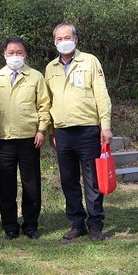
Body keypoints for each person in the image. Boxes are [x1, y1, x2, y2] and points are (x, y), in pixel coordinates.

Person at [44, 24, 113, 241]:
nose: (63, 41)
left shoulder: (90, 61)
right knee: (68, 179)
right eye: (59, 38)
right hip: (62, 133)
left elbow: (101, 95)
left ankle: (95, 225)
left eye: (67, 37)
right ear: (54, 42)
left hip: (87, 131)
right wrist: (49, 130)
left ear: (76, 39)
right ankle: (77, 223)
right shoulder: (50, 68)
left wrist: (106, 126)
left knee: (92, 180)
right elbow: (47, 101)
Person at [0, 36, 52, 240]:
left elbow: (44, 105)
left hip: (29, 138)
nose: (15, 56)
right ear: (4, 54)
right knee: (5, 185)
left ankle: (30, 224)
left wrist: (42, 130)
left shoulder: (35, 77)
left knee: (31, 184)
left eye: (19, 53)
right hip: (3, 140)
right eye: (11, 53)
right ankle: (10, 226)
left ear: (25, 54)